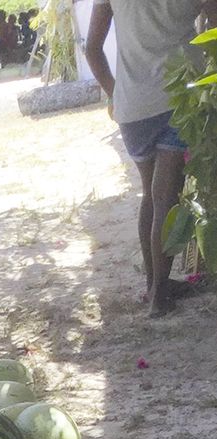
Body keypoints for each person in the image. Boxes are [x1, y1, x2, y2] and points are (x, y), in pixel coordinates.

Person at [85, 2, 217, 315]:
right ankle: (159, 296)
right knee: (165, 199)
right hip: (179, 98)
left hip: (131, 106)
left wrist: (115, 93)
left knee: (151, 197)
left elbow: (92, 49)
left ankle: (154, 285)